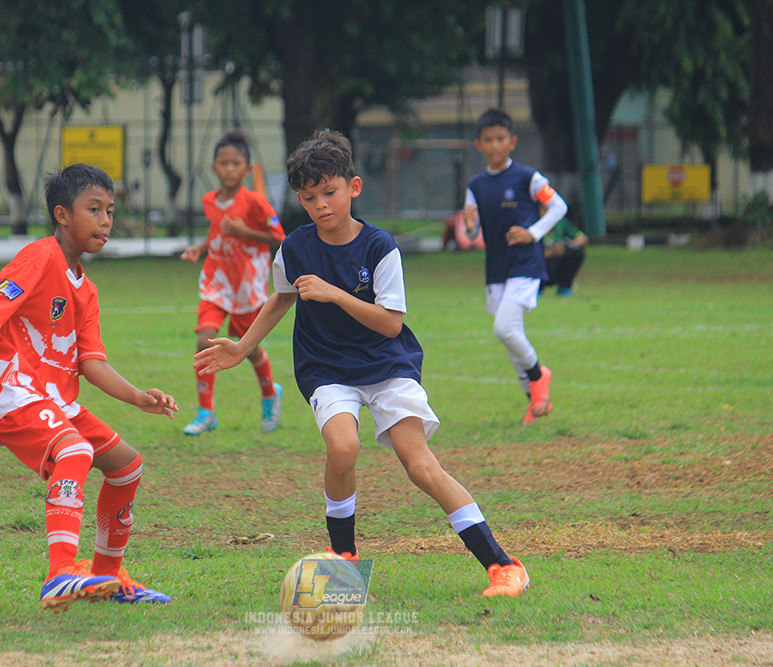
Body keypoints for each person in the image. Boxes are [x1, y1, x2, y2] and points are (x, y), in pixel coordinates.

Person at [194, 129, 530, 598]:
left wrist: (333, 293)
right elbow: (281, 297)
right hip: (326, 367)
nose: (320, 205)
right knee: (343, 447)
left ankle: (502, 564)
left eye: (329, 193)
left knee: (420, 466)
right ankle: (346, 564)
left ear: (353, 187)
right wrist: (242, 345)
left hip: (386, 362)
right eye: (309, 198)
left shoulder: (379, 247)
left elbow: (391, 324)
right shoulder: (295, 247)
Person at [0, 163, 179, 612]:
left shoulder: (86, 289)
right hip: (10, 388)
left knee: (127, 466)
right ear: (63, 215)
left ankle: (105, 579)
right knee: (74, 452)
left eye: (110, 211)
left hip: (51, 396)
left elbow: (92, 363)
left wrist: (138, 396)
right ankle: (59, 573)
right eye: (93, 209)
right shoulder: (41, 257)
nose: (106, 220)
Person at [463, 108, 567, 425]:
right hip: (495, 270)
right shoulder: (476, 185)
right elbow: (472, 232)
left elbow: (558, 206)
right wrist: (469, 227)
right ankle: (534, 403)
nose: (495, 145)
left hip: (525, 264)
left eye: (501, 139)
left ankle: (539, 375)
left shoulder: (527, 177)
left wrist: (533, 233)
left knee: (503, 329)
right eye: (488, 140)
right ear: (478, 145)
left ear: (513, 141)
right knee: (512, 340)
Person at [179, 129, 286, 435]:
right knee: (205, 341)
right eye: (223, 163)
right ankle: (205, 411)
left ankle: (269, 394)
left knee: (247, 348)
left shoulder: (255, 203)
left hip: (246, 286)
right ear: (213, 167)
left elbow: (280, 237)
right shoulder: (209, 200)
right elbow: (217, 234)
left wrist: (245, 232)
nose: (229, 169)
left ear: (247, 169)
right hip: (217, 281)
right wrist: (200, 249)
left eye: (235, 163)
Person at [540, 218, 588, 297]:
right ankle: (538, 289)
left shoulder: (560, 222)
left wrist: (569, 246)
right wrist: (552, 252)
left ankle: (564, 287)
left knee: (577, 251)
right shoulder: (533, 222)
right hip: (540, 265)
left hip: (555, 264)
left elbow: (582, 238)